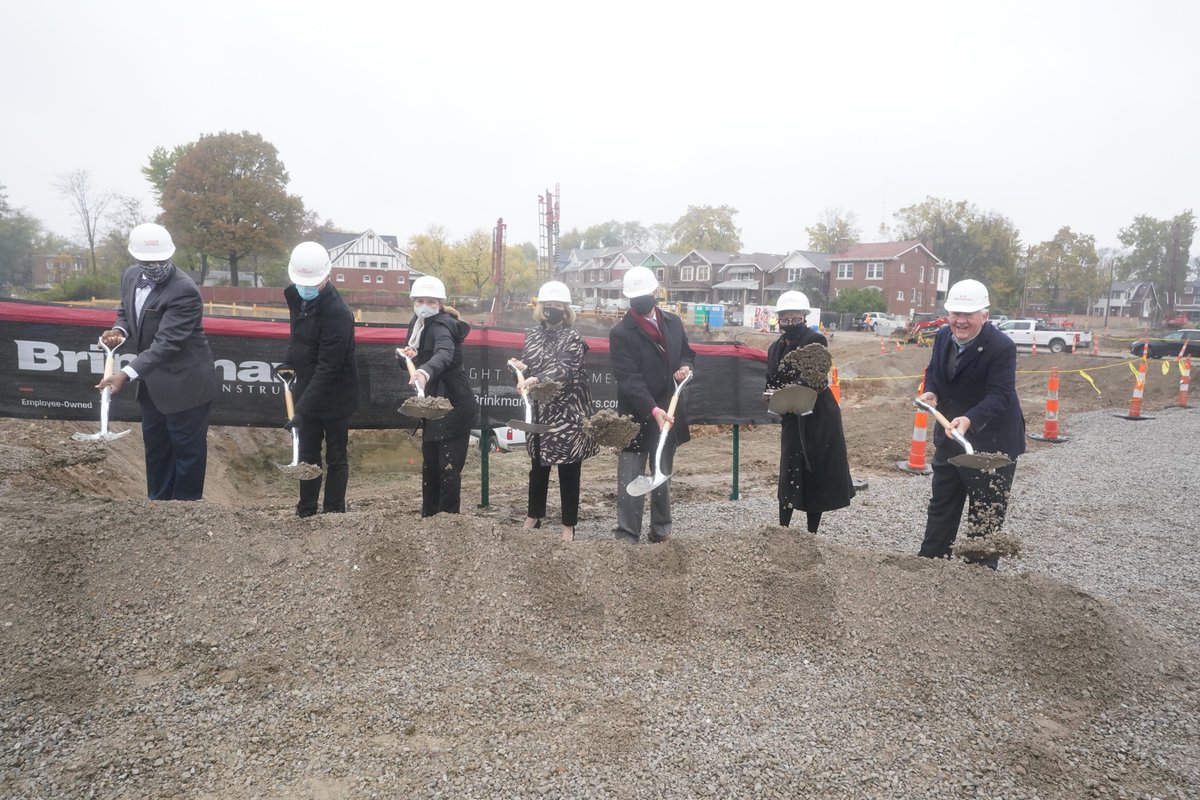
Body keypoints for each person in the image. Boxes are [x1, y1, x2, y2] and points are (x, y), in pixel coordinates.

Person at [96, 223, 217, 501]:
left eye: (160, 261)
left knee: (187, 455)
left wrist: (125, 374)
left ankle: (186, 515)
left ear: (170, 255)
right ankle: (158, 512)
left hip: (187, 387)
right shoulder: (130, 276)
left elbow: (167, 343)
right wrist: (119, 331)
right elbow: (125, 311)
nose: (154, 267)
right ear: (136, 259)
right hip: (153, 386)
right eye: (148, 262)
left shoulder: (184, 290)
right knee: (157, 452)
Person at [917, 279, 1025, 568]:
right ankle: (930, 568)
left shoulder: (1002, 347)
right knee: (942, 506)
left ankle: (979, 580)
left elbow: (1000, 395)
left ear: (984, 316)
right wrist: (931, 391)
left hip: (992, 443)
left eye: (968, 315)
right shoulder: (942, 336)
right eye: (955, 314)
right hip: (952, 437)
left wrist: (969, 419)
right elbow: (933, 371)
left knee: (985, 518)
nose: (960, 321)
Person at [609, 266, 695, 544]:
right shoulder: (621, 332)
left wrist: (684, 367)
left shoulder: (672, 322)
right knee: (630, 478)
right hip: (636, 415)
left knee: (662, 474)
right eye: (634, 297)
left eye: (644, 295)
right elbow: (629, 379)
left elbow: (687, 353)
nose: (640, 301)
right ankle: (627, 535)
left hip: (667, 411)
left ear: (655, 292)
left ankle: (661, 530)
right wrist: (652, 409)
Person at [511, 280, 599, 541]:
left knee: (569, 470)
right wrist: (520, 368)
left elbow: (564, 368)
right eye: (548, 305)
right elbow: (530, 364)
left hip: (568, 413)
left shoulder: (573, 337)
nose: (553, 309)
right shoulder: (531, 334)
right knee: (538, 468)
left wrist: (535, 379)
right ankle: (533, 516)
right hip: (540, 411)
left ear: (566, 309)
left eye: (558, 305)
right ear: (540, 307)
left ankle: (568, 526)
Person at [279, 241, 360, 518]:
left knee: (336, 455)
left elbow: (328, 368)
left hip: (337, 394)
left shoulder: (338, 313)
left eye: (311, 282)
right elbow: (297, 337)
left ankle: (333, 513)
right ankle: (306, 511)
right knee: (307, 454)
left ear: (328, 275)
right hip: (308, 388)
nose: (306, 287)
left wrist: (301, 411)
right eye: (302, 282)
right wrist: (289, 361)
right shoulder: (296, 297)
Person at [764, 291, 855, 533]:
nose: (790, 324)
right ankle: (783, 528)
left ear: (804, 318)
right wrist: (771, 396)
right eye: (786, 319)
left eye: (796, 319)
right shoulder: (774, 348)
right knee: (789, 469)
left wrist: (790, 392)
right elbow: (770, 380)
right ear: (779, 319)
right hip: (791, 416)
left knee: (815, 470)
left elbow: (812, 379)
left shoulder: (816, 340)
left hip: (819, 417)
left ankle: (811, 532)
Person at [398, 276, 479, 516]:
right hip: (434, 408)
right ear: (413, 301)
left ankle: (448, 524)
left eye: (430, 301)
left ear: (439, 303)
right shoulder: (418, 324)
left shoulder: (442, 325)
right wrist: (407, 356)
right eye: (420, 300)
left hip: (455, 405)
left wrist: (424, 371)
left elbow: (444, 353)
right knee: (430, 468)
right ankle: (429, 520)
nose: (424, 304)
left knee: (448, 469)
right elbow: (408, 361)